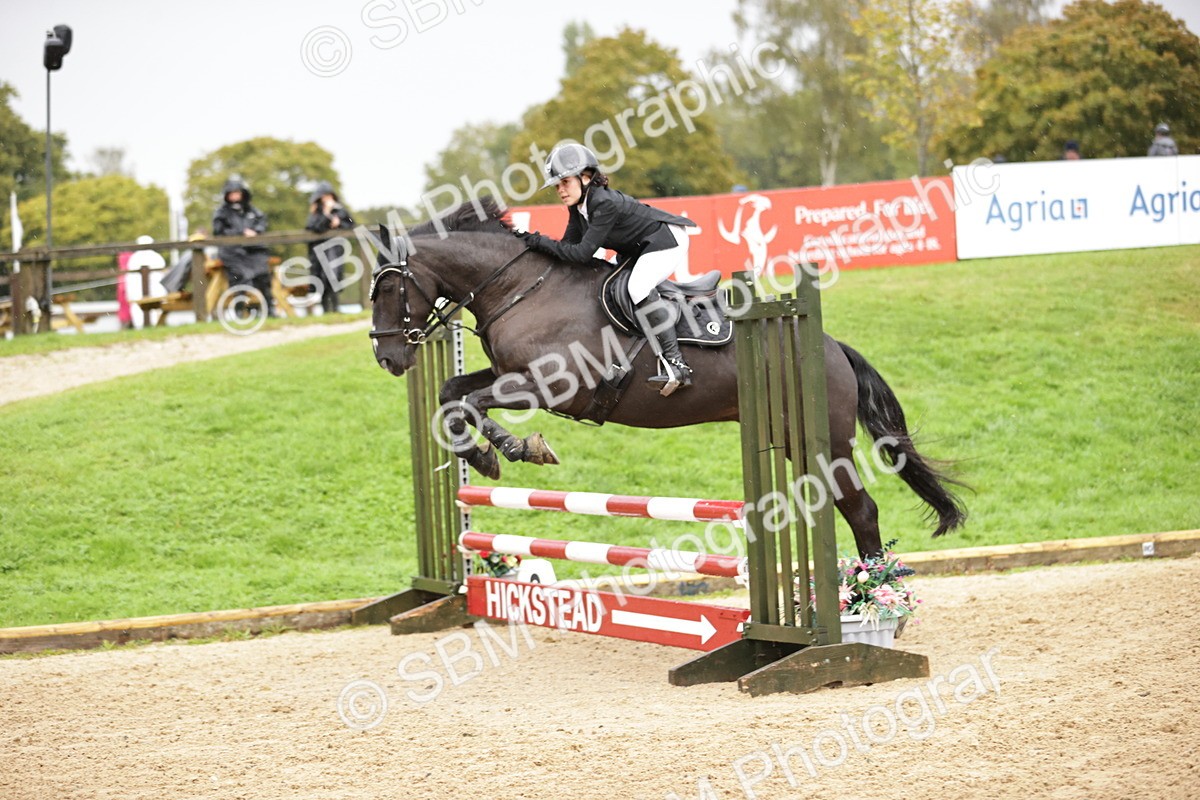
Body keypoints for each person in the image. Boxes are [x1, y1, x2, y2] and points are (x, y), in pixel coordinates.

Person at [514, 143, 698, 396]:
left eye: (565, 182)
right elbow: (568, 247)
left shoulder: (603, 203)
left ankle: (677, 365)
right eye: (557, 185)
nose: (560, 190)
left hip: (667, 240)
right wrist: (535, 246)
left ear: (585, 176)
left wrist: (538, 240)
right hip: (640, 246)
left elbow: (581, 253)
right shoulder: (579, 206)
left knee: (637, 288)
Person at [212, 176, 273, 316]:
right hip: (232, 252)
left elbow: (262, 222)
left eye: (237, 192)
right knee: (239, 277)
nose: (235, 196)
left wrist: (256, 231)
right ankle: (240, 310)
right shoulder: (221, 213)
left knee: (263, 275)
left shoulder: (251, 210)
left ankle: (268, 309)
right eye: (232, 193)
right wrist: (240, 233)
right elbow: (218, 231)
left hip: (253, 251)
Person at [305, 181, 354, 313]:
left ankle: (336, 308)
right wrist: (326, 215)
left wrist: (339, 223)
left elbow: (351, 224)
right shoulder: (316, 212)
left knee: (334, 277)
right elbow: (315, 227)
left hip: (335, 250)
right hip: (320, 251)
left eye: (329, 195)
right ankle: (326, 310)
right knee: (323, 279)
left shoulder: (340, 210)